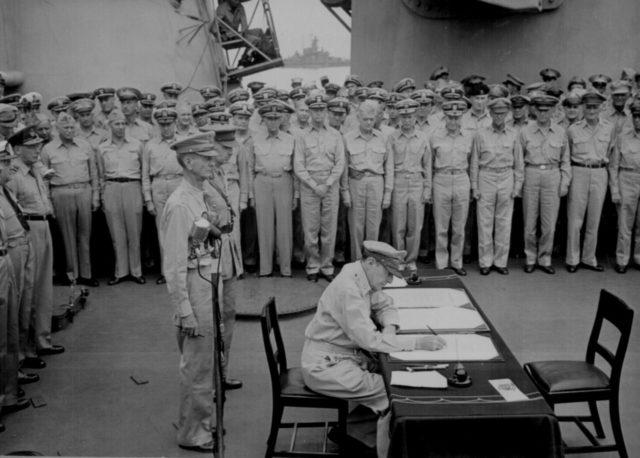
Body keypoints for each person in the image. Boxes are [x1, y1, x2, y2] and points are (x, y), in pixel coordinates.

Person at [301, 240, 445, 458]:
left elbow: (385, 304)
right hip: (325, 365)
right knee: (394, 392)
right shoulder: (349, 288)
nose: (389, 280)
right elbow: (369, 340)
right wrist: (416, 343)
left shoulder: (359, 273)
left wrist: (389, 327)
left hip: (343, 355)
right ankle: (384, 451)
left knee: (395, 376)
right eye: (388, 273)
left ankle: (352, 432)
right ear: (371, 262)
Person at [160, 132, 222, 453]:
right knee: (196, 367)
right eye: (206, 157)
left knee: (204, 362)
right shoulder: (181, 204)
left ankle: (199, 421)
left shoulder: (199, 194)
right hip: (194, 289)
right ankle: (193, 433)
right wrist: (185, 311)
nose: (213, 161)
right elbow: (173, 265)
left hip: (206, 280)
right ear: (188, 161)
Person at [7, 126, 65, 361]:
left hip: (43, 225)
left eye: (38, 146)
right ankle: (25, 349)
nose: (37, 151)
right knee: (28, 290)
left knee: (43, 287)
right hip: (28, 230)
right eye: (31, 147)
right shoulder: (13, 174)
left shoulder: (36, 170)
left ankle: (42, 339)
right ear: (18, 149)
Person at [204, 125, 244, 390]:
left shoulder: (220, 172)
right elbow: (195, 224)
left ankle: (223, 371)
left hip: (228, 248)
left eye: (232, 148)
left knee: (228, 312)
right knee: (212, 315)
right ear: (212, 147)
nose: (231, 153)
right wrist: (210, 228)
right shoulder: (201, 179)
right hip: (211, 252)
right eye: (226, 148)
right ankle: (208, 376)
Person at [40, 112, 100, 286]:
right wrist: (47, 202)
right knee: (67, 236)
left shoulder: (85, 146)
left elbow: (94, 172)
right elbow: (44, 180)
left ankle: (86, 274)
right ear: (57, 129)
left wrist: (95, 195)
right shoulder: (48, 149)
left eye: (72, 127)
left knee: (85, 235)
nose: (69, 130)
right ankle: (71, 274)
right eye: (65, 127)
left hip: (83, 191)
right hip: (61, 193)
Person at [294, 94, 345, 282]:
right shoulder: (301, 136)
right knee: (310, 230)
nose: (318, 114)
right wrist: (315, 185)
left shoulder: (335, 134)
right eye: (314, 110)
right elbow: (298, 164)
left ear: (326, 111)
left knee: (329, 229)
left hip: (330, 185)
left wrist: (328, 183)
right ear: (309, 112)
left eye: (321, 109)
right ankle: (313, 266)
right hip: (310, 185)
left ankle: (327, 266)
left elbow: (340, 163)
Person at [470, 98, 524, 275]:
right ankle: (485, 262)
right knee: (485, 222)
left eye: (502, 113)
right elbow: (475, 162)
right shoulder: (481, 134)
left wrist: (517, 186)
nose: (499, 116)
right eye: (496, 113)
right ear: (490, 114)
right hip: (486, 175)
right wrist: (475, 187)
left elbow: (519, 162)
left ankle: (500, 262)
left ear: (507, 114)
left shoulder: (514, 134)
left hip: (506, 176)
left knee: (504, 221)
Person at [519, 95, 571, 274]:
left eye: (546, 110)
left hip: (552, 174)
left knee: (549, 223)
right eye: (539, 110)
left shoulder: (560, 131)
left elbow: (565, 160)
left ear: (553, 111)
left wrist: (565, 182)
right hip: (531, 173)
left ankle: (545, 258)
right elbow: (519, 160)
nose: (542, 113)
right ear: (534, 110)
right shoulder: (525, 131)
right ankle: (530, 257)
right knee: (530, 221)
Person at [0, 143, 33, 418]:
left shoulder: (5, 189)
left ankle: (9, 391)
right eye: (3, 161)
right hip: (5, 257)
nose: (10, 165)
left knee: (11, 327)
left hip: (8, 258)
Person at [564, 91, 614, 273]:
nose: (592, 110)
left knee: (594, 219)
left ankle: (588, 258)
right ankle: (572, 259)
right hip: (579, 171)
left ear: (601, 108)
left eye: (595, 107)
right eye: (588, 107)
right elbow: (566, 156)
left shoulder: (609, 128)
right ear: (583, 108)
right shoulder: (573, 129)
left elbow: (611, 152)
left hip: (600, 172)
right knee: (575, 219)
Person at [246, 101, 296, 277]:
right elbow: (250, 169)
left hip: (284, 181)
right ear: (263, 120)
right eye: (269, 119)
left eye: (276, 118)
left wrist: (296, 194)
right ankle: (265, 268)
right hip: (263, 182)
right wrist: (251, 194)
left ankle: (285, 268)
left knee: (285, 227)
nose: (273, 122)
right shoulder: (254, 140)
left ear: (281, 119)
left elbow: (296, 169)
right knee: (264, 226)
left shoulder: (291, 139)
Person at [96, 109, 145, 285]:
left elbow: (144, 169)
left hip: (132, 186)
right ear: (109, 125)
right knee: (117, 233)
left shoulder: (137, 145)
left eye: (123, 123)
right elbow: (101, 175)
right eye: (117, 123)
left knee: (134, 232)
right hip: (112, 187)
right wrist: (102, 196)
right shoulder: (102, 148)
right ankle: (121, 272)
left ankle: (136, 270)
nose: (121, 127)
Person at [341, 100, 393, 260]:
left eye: (372, 119)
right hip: (356, 183)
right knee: (356, 226)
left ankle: (372, 261)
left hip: (376, 183)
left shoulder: (383, 138)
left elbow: (389, 167)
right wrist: (345, 193)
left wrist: (387, 194)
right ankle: (357, 262)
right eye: (365, 119)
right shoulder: (347, 138)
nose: (369, 122)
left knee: (373, 226)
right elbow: (344, 168)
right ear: (358, 118)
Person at [430, 100, 474, 275]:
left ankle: (456, 262)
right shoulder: (435, 136)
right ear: (444, 117)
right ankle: (441, 263)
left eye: (457, 118)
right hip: (442, 178)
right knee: (441, 226)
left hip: (462, 178)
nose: (453, 122)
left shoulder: (469, 136)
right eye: (450, 118)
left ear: (461, 117)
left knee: (459, 226)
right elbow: (431, 162)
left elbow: (472, 162)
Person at [388, 98, 431, 277]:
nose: (407, 120)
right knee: (398, 225)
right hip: (398, 181)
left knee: (415, 225)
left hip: (416, 182)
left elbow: (427, 164)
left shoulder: (423, 137)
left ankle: (411, 259)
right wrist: (388, 190)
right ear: (399, 117)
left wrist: (427, 188)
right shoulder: (392, 137)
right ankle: (399, 259)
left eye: (410, 116)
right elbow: (389, 166)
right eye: (403, 116)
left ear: (415, 117)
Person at [141, 107, 182, 285]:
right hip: (158, 185)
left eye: (169, 124)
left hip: (179, 183)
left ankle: (182, 269)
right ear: (158, 125)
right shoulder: (150, 145)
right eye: (163, 125)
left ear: (175, 123)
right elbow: (145, 175)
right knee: (163, 230)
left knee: (181, 228)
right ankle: (167, 272)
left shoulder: (183, 142)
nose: (166, 128)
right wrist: (148, 200)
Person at [609, 100, 640, 273]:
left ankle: (638, 257)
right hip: (627, 177)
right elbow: (613, 166)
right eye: (635, 117)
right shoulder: (622, 138)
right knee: (624, 222)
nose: (638, 121)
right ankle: (622, 259)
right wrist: (615, 189)